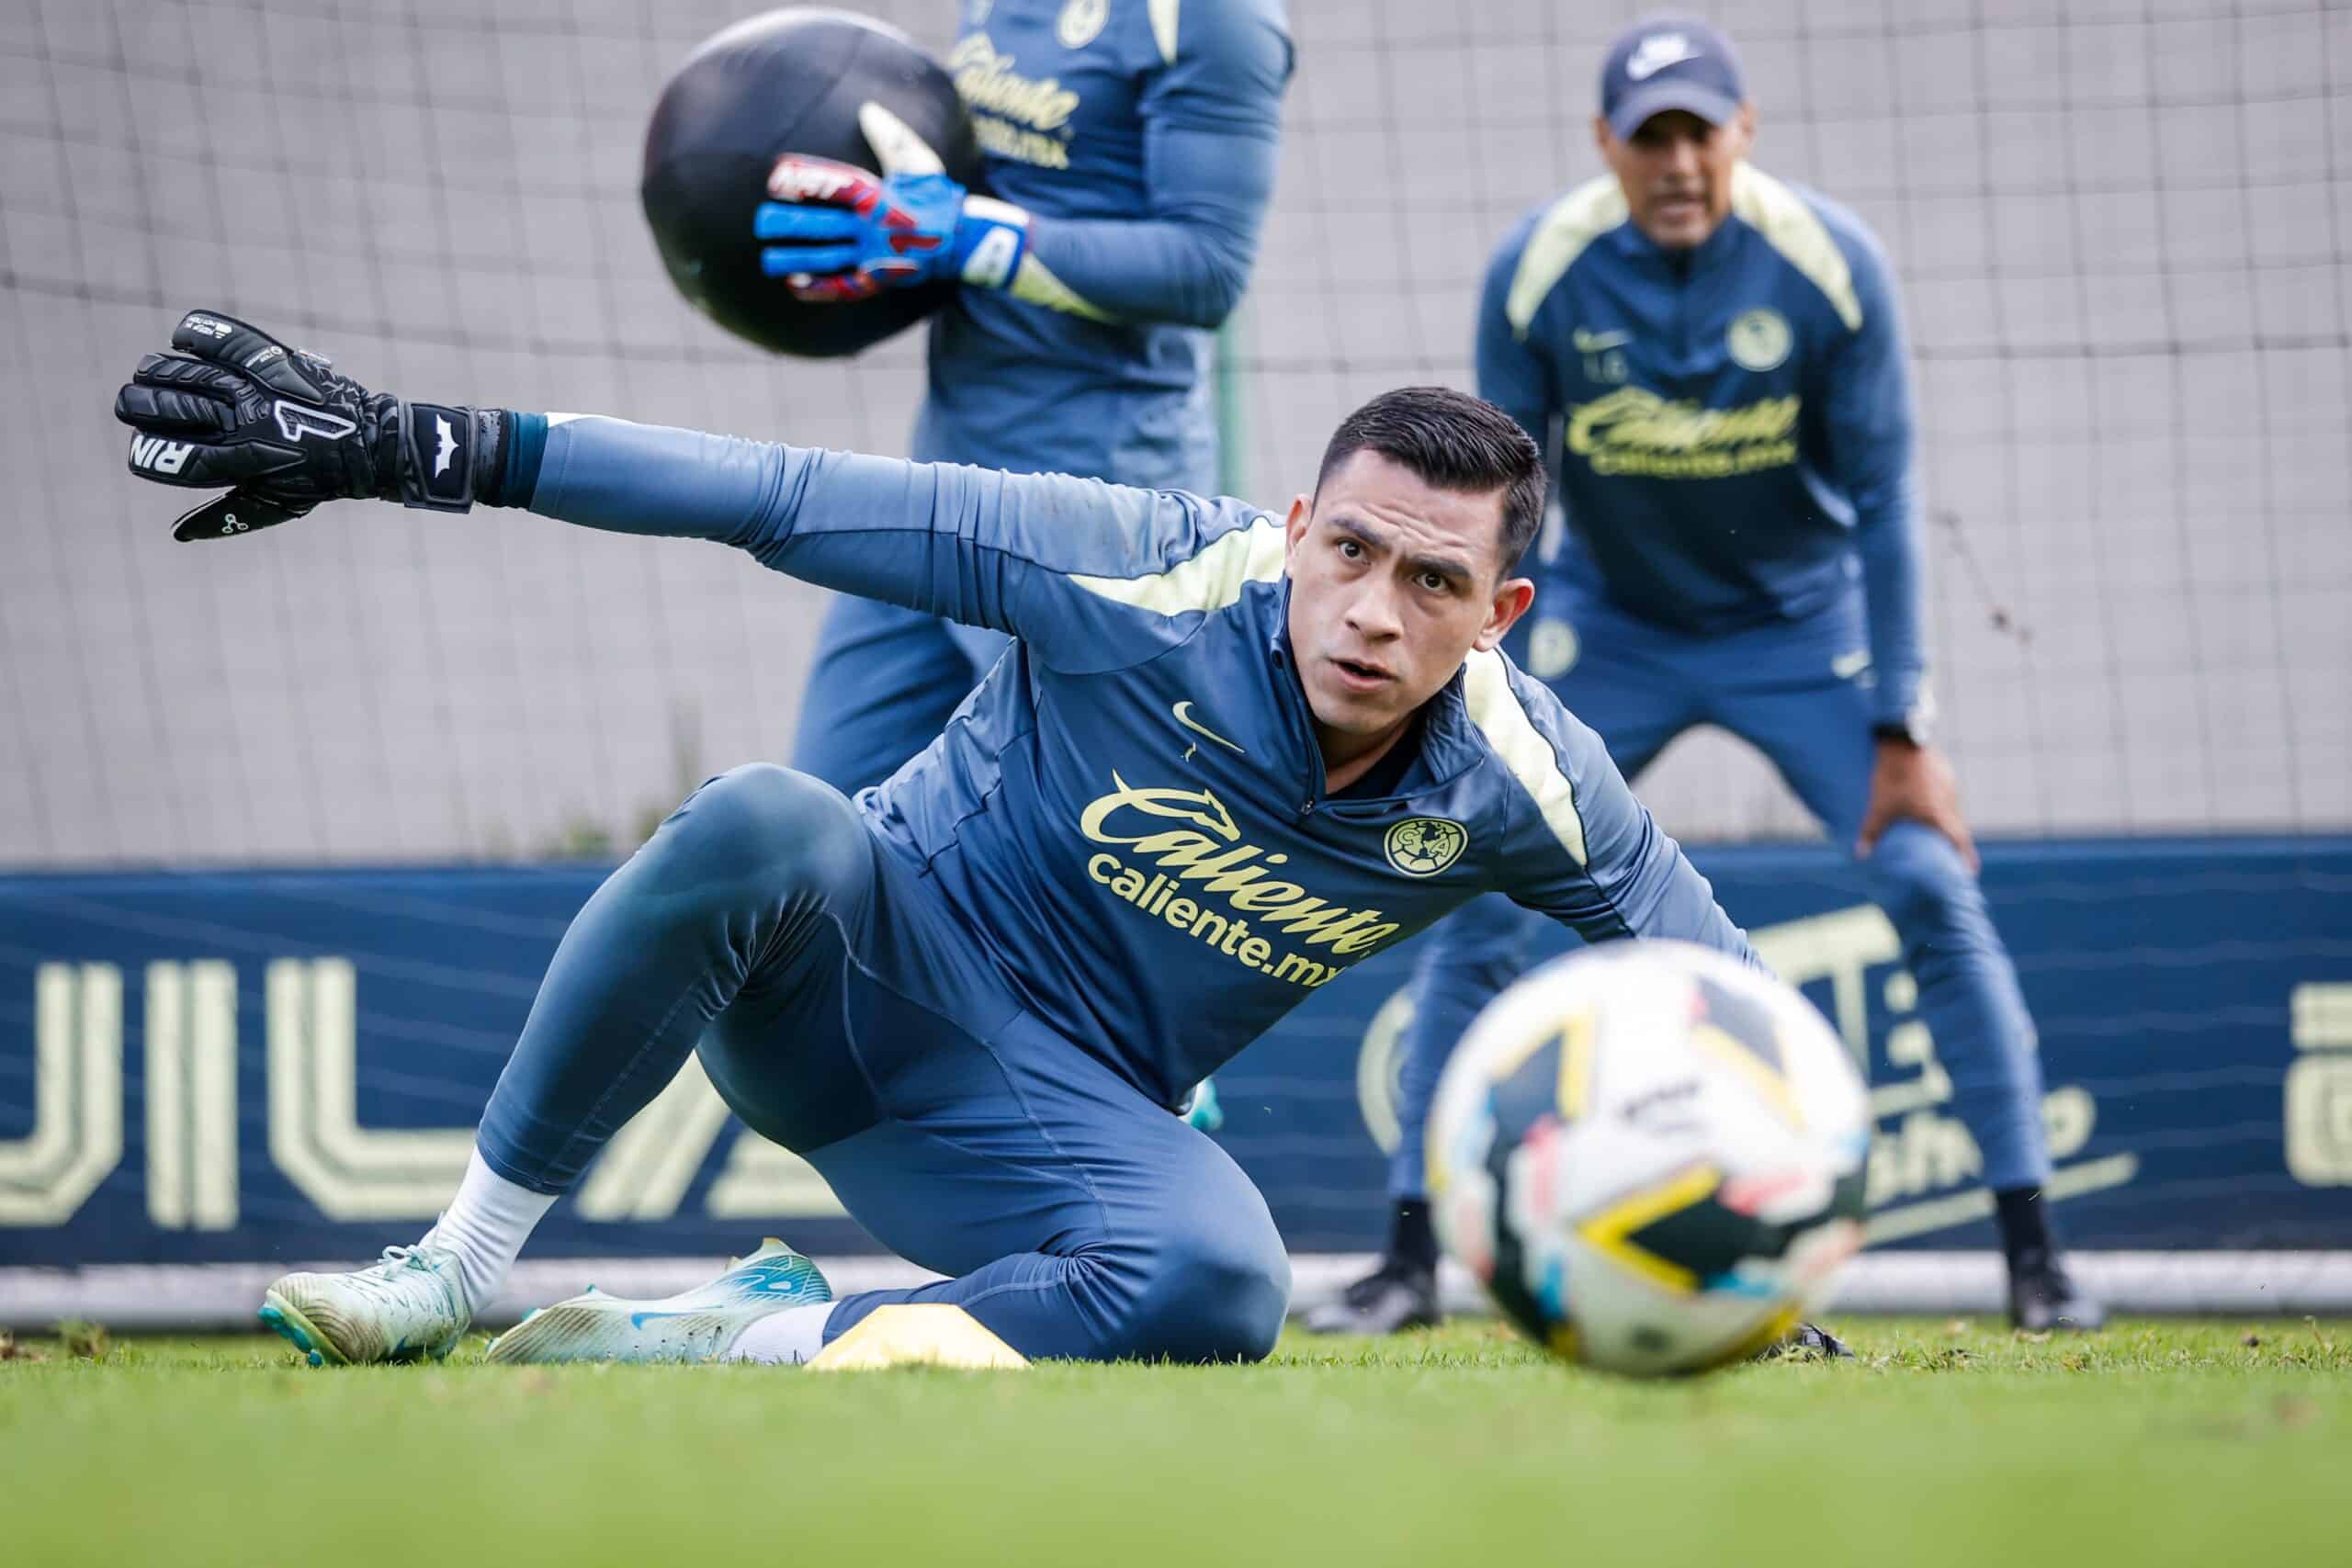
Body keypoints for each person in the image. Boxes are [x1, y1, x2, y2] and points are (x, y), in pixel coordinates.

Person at [116, 310, 1757, 1366]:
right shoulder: (1141, 567)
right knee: (768, 813)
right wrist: (420, 445)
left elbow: (1721, 987)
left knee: (1222, 1286)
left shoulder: (1529, 775)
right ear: (1291, 535)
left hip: (1039, 1124)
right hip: (845, 984)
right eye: (1348, 552)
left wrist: (1760, 1244)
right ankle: (455, 1265)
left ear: (1502, 614)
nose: (1373, 612)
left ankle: (741, 1337)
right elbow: (774, 488)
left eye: (1434, 584)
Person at [1306, 16, 2102, 1338]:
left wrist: (1903, 715)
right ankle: (1407, 1267)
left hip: (1802, 630)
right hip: (1612, 629)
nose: (1678, 163)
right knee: (1479, 899)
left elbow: (1891, 495)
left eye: (1701, 133)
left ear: (1745, 136)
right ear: (1605, 146)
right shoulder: (1540, 272)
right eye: (1651, 136)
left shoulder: (1830, 266)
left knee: (1924, 876)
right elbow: (1499, 502)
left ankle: (2038, 1258)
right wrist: (1484, 675)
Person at [760, 0, 1294, 798]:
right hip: (934, 471)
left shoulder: (1214, 18)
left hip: (1089, 506)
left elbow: (1206, 266)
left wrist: (968, 237)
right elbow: (970, 180)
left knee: (1069, 835)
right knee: (819, 820)